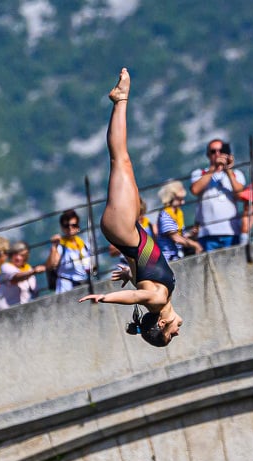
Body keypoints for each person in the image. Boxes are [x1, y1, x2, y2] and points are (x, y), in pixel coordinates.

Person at [79, 68, 182, 348]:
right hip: (127, 231)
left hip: (124, 230)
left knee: (120, 160)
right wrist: (130, 275)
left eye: (170, 334)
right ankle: (121, 99)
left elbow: (135, 298)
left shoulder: (157, 300)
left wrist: (104, 297)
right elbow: (141, 279)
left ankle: (121, 99)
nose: (177, 332)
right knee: (123, 162)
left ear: (161, 324)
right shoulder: (158, 294)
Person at [190, 136, 246, 251]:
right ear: (208, 155)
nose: (217, 154)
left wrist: (228, 170)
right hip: (207, 233)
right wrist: (212, 169)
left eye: (221, 151)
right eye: (213, 151)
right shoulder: (199, 173)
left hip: (231, 231)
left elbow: (240, 195)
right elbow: (195, 190)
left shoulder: (236, 173)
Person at [45, 209, 95, 292]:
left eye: (73, 225)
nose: (70, 228)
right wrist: (54, 246)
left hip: (84, 285)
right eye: (66, 226)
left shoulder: (83, 244)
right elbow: (52, 265)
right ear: (62, 228)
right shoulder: (60, 245)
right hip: (66, 288)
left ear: (78, 226)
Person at [154, 181, 202, 260]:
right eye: (179, 199)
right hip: (169, 258)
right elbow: (176, 238)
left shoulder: (178, 213)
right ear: (171, 198)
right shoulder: (165, 215)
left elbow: (179, 236)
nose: (183, 202)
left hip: (178, 256)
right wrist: (195, 245)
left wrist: (190, 234)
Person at [0, 241, 44, 308]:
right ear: (11, 255)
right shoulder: (6, 267)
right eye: (15, 254)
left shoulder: (28, 268)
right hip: (8, 310)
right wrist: (33, 272)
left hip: (26, 309)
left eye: (22, 255)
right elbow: (16, 277)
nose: (18, 258)